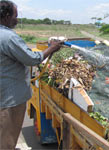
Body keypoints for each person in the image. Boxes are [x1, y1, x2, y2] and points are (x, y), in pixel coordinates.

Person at [0, 1, 63, 149]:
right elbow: (32, 59)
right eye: (15, 16)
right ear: (7, 16)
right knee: (7, 138)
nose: (17, 19)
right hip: (10, 100)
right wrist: (52, 48)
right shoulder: (8, 37)